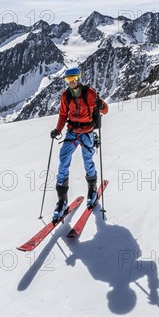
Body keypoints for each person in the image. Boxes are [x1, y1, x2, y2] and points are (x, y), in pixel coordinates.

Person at [50, 67, 108, 221]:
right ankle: (62, 201)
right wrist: (57, 130)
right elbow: (63, 115)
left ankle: (92, 189)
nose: (71, 82)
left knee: (88, 161)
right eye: (68, 80)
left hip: (87, 131)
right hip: (72, 132)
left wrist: (100, 105)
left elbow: (106, 110)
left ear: (79, 78)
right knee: (63, 161)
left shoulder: (89, 93)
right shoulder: (65, 96)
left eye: (74, 79)